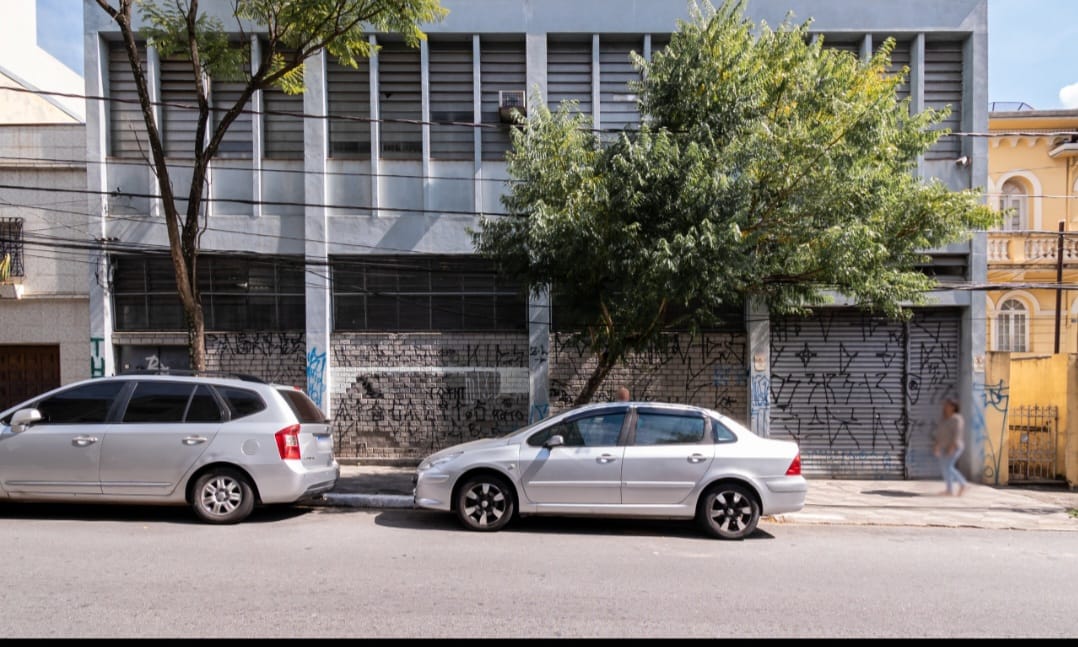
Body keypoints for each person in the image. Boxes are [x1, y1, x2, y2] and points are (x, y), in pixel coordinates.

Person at [933, 398, 968, 496]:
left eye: (948, 405)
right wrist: (937, 446)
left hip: (955, 447)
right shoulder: (944, 418)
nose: (945, 407)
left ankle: (963, 484)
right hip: (944, 447)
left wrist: (952, 447)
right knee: (945, 468)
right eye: (945, 405)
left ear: (953, 407)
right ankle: (949, 490)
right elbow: (939, 434)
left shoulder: (957, 418)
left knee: (948, 466)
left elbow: (957, 434)